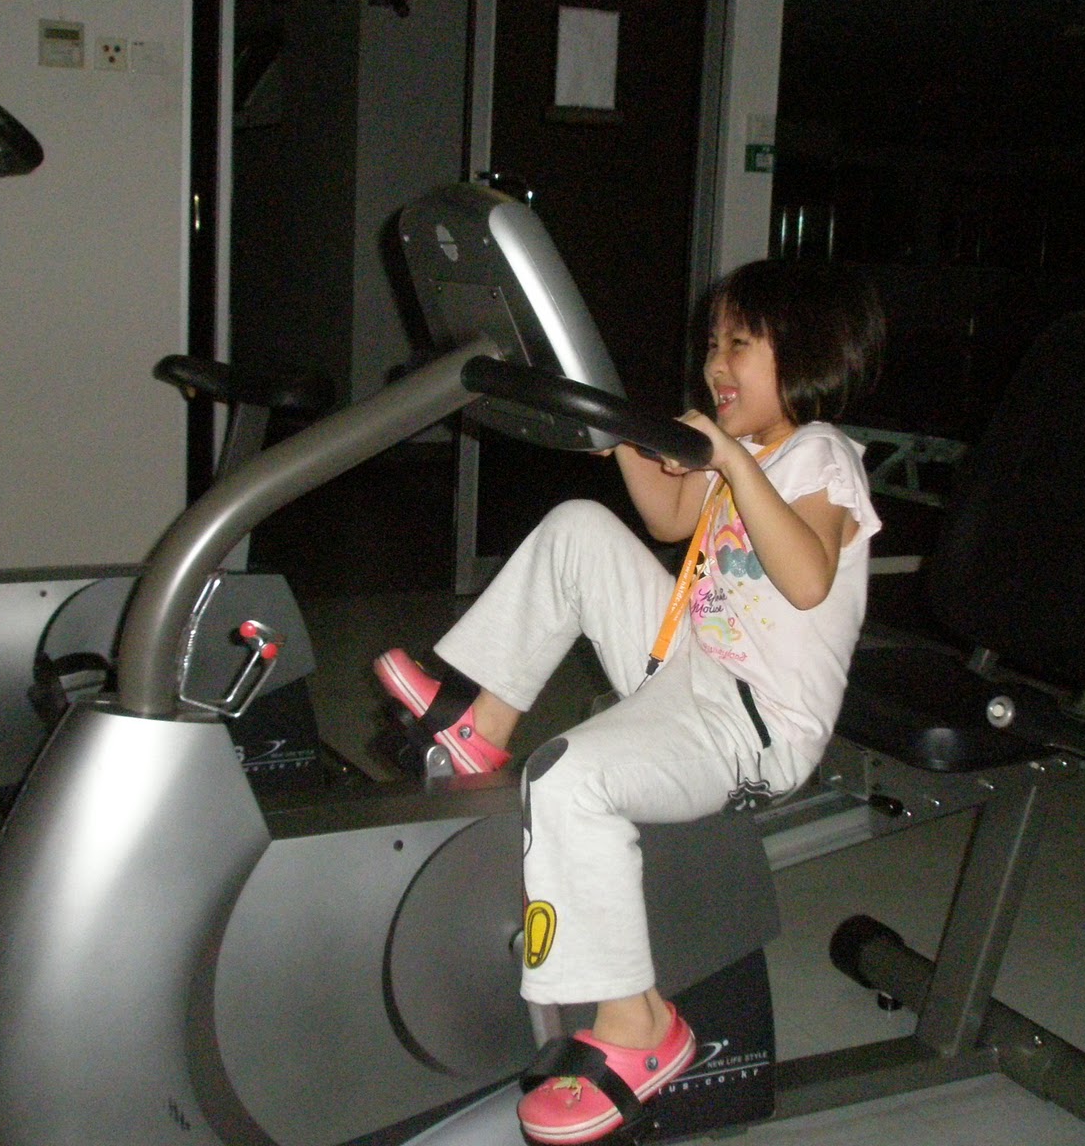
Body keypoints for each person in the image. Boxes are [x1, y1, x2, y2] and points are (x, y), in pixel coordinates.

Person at [375, 261, 885, 1145]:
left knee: (569, 779)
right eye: (712, 344)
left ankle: (639, 1022)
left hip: (754, 723)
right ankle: (479, 725)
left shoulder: (821, 456)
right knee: (579, 527)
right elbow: (668, 520)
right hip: (688, 665)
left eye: (739, 344)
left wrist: (731, 461)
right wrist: (618, 439)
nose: (715, 363)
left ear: (807, 357)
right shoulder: (742, 453)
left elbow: (807, 577)